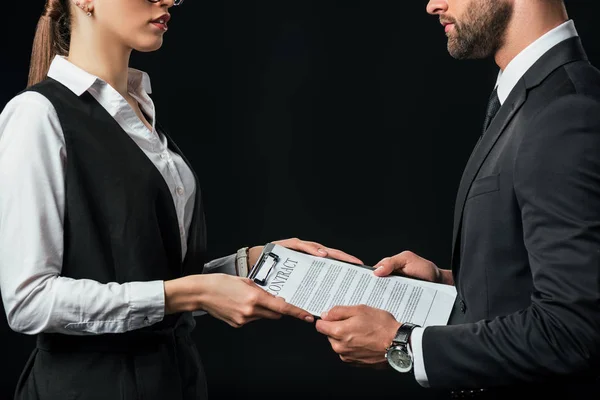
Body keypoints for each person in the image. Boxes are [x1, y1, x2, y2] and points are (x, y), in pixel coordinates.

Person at [0, 1, 363, 399]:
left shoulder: (138, 111)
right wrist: (196, 293)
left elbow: (143, 274)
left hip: (177, 381)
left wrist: (246, 264)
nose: (170, 0)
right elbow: (29, 301)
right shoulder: (37, 114)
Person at [315, 0, 600, 397]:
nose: (433, 4)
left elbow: (572, 332)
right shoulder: (535, 95)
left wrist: (403, 344)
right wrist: (451, 289)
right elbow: (543, 283)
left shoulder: (567, 111)